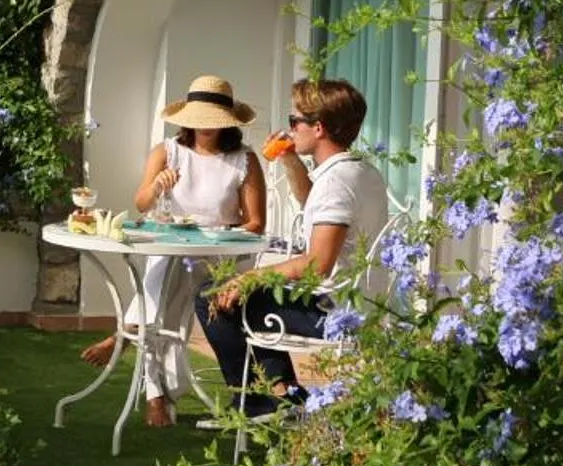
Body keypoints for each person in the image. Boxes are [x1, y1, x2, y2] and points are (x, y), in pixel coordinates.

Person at [193, 78, 390, 418]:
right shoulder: (358, 170)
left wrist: (251, 277)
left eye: (294, 121)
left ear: (318, 127)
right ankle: (286, 397)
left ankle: (256, 402)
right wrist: (289, 159)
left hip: (334, 313)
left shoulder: (337, 183)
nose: (290, 128)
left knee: (213, 296)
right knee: (249, 298)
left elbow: (317, 265)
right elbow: (312, 199)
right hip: (360, 301)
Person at [79, 74, 269, 426]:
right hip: (169, 245)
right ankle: (155, 394)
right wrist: (156, 186)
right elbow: (141, 203)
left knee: (162, 295)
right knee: (162, 284)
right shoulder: (168, 152)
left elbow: (256, 221)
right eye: (199, 120)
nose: (205, 128)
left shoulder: (244, 160)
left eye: (213, 121)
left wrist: (218, 234)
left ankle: (128, 333)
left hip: (217, 255)